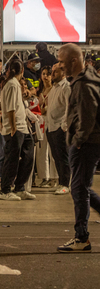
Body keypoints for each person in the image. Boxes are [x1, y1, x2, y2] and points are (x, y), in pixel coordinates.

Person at [57, 44, 100, 252]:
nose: (59, 65)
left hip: (86, 144)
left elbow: (88, 115)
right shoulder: (85, 80)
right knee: (81, 188)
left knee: (79, 189)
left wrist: (79, 140)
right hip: (86, 143)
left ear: (74, 61)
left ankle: (81, 238)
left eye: (62, 61)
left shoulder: (83, 85)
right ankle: (81, 237)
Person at [0, 59, 34, 201]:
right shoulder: (12, 84)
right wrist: (13, 127)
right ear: (22, 70)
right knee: (12, 159)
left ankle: (20, 187)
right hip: (15, 127)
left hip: (23, 127)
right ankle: (5, 190)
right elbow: (11, 108)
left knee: (28, 156)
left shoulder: (16, 84)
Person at [42, 62, 71, 195]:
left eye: (56, 72)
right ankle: (61, 182)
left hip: (59, 127)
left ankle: (65, 184)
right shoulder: (54, 88)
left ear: (64, 73)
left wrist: (64, 127)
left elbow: (69, 108)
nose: (52, 74)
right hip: (50, 127)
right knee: (56, 157)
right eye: (52, 71)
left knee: (62, 157)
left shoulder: (66, 87)